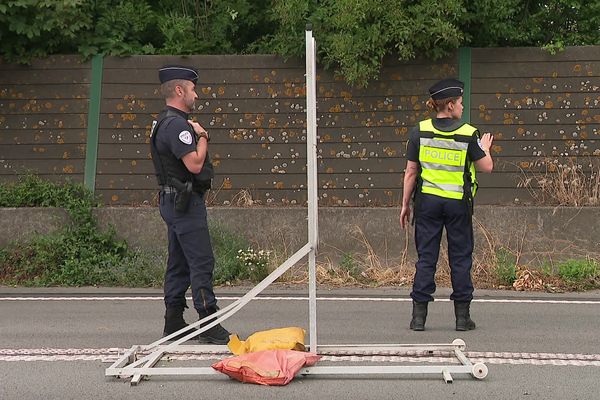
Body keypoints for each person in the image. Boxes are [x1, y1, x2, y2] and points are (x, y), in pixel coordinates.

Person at [399, 78, 494, 331]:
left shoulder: (419, 131)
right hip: (457, 205)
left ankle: (418, 318)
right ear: (450, 105)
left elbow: (410, 172)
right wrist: (484, 148)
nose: (463, 107)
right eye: (461, 103)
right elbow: (487, 167)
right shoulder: (468, 133)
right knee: (460, 258)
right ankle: (462, 319)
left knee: (426, 259)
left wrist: (405, 204)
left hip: (428, 204)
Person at [149, 65, 230, 344]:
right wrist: (203, 136)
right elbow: (194, 164)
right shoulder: (177, 125)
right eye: (193, 89)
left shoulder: (163, 121)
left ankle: (173, 322)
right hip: (184, 202)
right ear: (180, 90)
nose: (197, 94)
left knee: (180, 261)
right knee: (201, 260)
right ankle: (209, 321)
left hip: (172, 200)